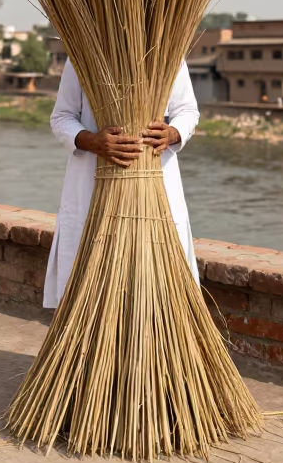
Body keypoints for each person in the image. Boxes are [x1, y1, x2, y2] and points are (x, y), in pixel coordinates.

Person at [44, 58, 200, 308]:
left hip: (154, 183)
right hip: (94, 185)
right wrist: (93, 141)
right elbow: (62, 117)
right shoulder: (81, 53)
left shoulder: (169, 50)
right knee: (91, 291)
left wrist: (173, 132)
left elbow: (188, 110)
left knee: (156, 292)